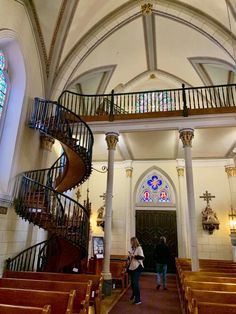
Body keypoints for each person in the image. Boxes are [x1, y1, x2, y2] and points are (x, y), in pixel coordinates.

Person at [128, 236, 144, 305]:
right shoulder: (133, 248)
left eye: (131, 241)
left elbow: (142, 257)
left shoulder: (139, 248)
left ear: (134, 241)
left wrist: (133, 256)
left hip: (137, 267)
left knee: (135, 283)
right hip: (132, 267)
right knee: (132, 283)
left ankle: (138, 299)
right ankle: (134, 294)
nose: (130, 242)